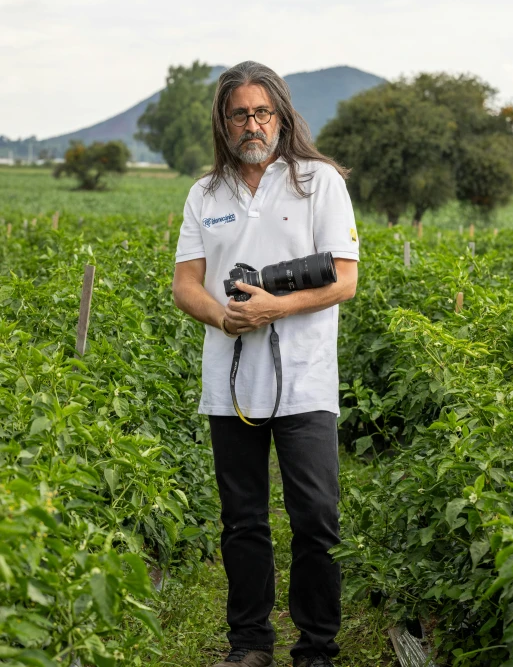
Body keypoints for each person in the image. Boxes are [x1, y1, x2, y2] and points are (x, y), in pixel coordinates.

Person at [173, 61, 359, 667]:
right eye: (239, 114)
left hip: (306, 379)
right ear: (223, 121)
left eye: (262, 112)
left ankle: (317, 647)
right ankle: (250, 642)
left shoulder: (318, 181)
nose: (252, 124)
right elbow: (185, 285)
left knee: (315, 517)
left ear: (281, 115)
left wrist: (276, 306)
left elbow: (345, 280)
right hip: (229, 384)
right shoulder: (205, 194)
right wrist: (227, 318)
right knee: (243, 520)